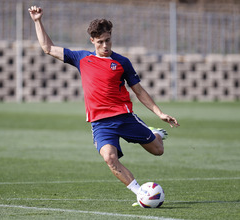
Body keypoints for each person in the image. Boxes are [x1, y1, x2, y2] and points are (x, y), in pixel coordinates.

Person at [28, 6, 180, 205]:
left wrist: (159, 113)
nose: (105, 45)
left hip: (124, 117)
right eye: (100, 42)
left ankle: (155, 133)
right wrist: (37, 21)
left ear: (111, 37)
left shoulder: (122, 62)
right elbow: (48, 48)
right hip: (100, 123)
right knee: (110, 158)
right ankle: (139, 193)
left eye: (108, 40)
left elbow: (139, 91)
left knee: (158, 150)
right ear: (92, 41)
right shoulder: (81, 58)